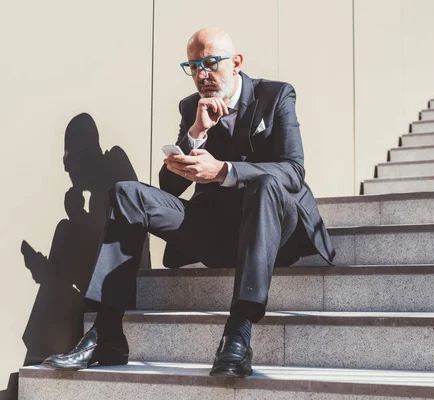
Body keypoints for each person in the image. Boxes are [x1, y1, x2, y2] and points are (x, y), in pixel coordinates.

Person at [42, 27, 335, 378]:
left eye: (210, 63)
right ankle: (106, 335)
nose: (202, 74)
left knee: (267, 182)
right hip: (217, 233)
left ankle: (238, 332)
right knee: (127, 192)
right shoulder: (190, 107)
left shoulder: (276, 96)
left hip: (275, 231)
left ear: (236, 63)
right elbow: (169, 187)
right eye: (193, 66)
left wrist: (223, 170)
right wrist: (196, 134)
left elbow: (293, 171)